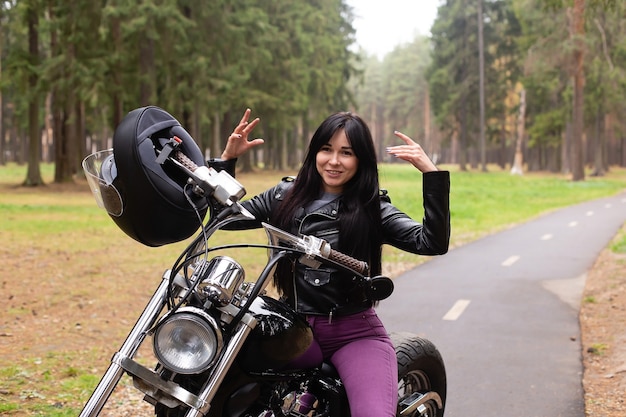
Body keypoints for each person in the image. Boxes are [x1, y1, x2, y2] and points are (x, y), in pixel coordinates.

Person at [217, 108, 450, 417]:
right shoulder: (283, 196)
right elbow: (225, 220)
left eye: (346, 152)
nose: (334, 161)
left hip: (354, 333)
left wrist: (430, 174)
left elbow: (430, 242)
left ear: (361, 160)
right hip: (293, 329)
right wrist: (226, 162)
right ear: (315, 152)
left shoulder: (372, 209)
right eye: (326, 149)